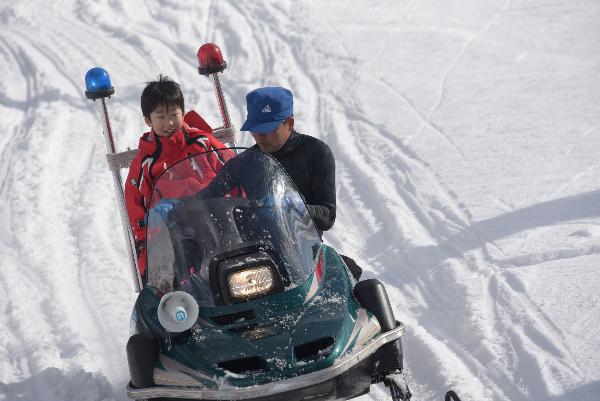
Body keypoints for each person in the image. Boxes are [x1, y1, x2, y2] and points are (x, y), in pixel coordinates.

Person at [239, 86, 362, 280]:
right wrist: (178, 204)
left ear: (289, 123)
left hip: (305, 253)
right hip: (255, 260)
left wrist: (295, 206)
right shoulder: (246, 161)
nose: (259, 136)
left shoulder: (316, 153)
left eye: (266, 129)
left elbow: (327, 216)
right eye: (254, 130)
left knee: (360, 284)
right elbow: (209, 195)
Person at [125, 74, 233, 279]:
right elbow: (138, 216)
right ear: (148, 120)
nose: (169, 122)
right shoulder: (145, 165)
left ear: (182, 112)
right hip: (176, 228)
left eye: (174, 114)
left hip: (216, 213)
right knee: (181, 262)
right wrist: (148, 260)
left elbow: (232, 172)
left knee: (240, 234)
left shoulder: (202, 143)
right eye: (160, 117)